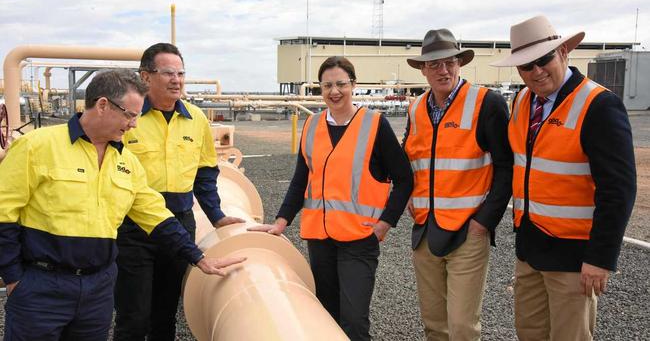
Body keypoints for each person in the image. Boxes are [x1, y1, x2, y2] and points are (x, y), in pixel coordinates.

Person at [0, 69, 245, 341]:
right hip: (42, 286)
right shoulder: (36, 146)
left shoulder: (127, 163)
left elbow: (156, 216)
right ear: (103, 105)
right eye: (130, 115)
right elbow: (3, 213)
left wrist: (199, 258)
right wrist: (14, 278)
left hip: (98, 289)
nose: (134, 125)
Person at [491, 15, 636, 340]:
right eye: (526, 66)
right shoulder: (522, 102)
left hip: (574, 257)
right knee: (529, 332)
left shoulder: (598, 105)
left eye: (544, 60)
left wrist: (600, 258)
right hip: (530, 249)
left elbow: (619, 190)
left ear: (564, 53)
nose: (537, 71)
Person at [249, 56, 413, 340]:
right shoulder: (312, 126)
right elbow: (302, 178)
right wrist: (281, 221)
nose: (334, 91)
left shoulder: (375, 125)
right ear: (320, 89)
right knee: (325, 315)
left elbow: (405, 179)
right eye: (327, 85)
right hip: (320, 239)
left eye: (341, 84)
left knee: (354, 321)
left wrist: (385, 224)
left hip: (359, 240)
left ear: (353, 85)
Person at [113, 43, 244, 341]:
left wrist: (217, 216)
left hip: (180, 223)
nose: (177, 80)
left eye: (181, 73)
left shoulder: (195, 119)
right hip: (133, 228)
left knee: (165, 313)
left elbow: (205, 173)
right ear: (145, 77)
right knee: (133, 316)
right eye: (168, 73)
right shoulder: (129, 117)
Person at [403, 29, 513, 340]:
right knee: (435, 325)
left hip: (468, 232)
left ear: (460, 64)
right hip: (425, 232)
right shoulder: (415, 109)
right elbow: (408, 158)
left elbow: (506, 168)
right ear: (423, 69)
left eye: (450, 62)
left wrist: (484, 222)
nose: (444, 71)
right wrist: (409, 193)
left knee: (463, 327)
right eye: (435, 65)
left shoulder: (486, 103)